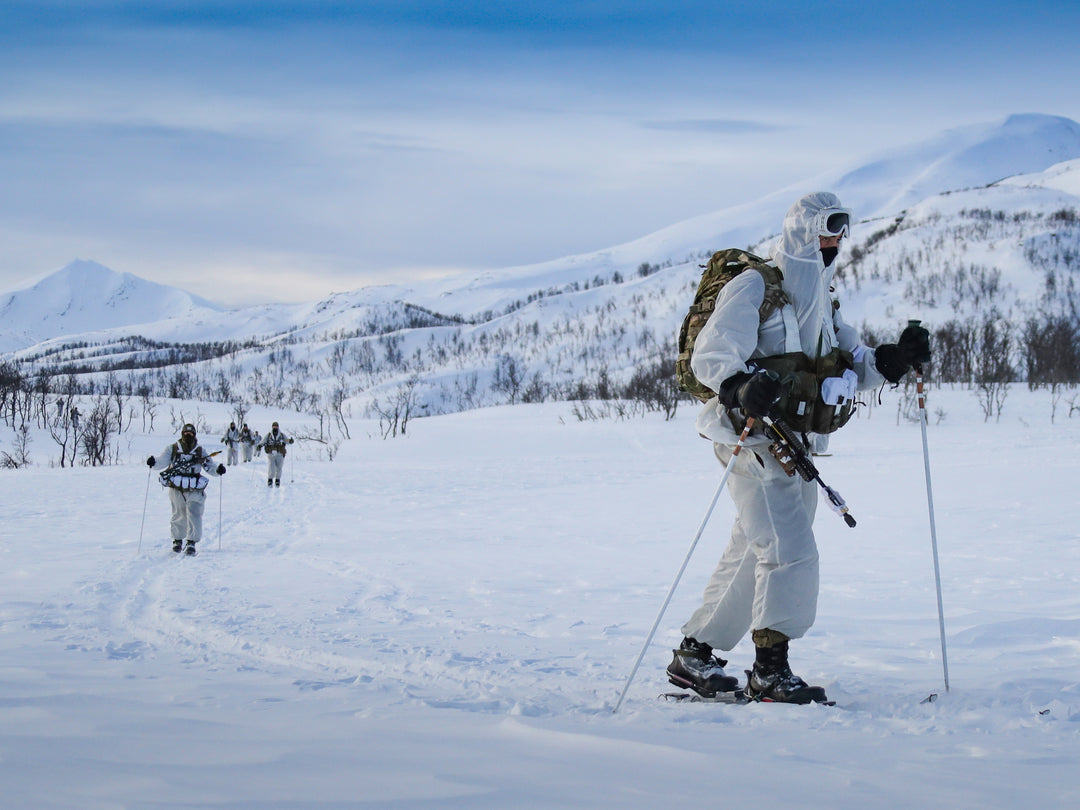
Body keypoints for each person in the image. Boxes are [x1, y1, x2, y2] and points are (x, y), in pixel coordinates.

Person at [667, 191, 931, 704]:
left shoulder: (823, 302)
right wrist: (738, 386)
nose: (834, 240)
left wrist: (895, 359)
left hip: (798, 446)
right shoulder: (756, 287)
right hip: (754, 441)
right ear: (802, 230)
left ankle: (695, 654)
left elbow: (854, 360)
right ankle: (770, 669)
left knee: (753, 551)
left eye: (841, 230)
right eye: (827, 228)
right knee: (790, 551)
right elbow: (713, 354)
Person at [147, 423, 226, 555]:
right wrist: (153, 462)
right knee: (179, 514)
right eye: (185, 433)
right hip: (176, 488)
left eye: (190, 433)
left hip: (195, 488)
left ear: (194, 435)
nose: (188, 435)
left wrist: (218, 470)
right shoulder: (172, 449)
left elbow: (209, 466)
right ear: (182, 434)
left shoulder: (200, 451)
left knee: (195, 514)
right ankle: (177, 540)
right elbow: (162, 461)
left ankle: (191, 542)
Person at [259, 421, 293, 487]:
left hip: (280, 453)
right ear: (272, 427)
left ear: (278, 427)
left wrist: (290, 441)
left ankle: (277, 480)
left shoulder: (281, 435)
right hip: (271, 453)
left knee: (279, 468)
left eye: (276, 426)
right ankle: (270, 480)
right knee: (271, 467)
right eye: (274, 426)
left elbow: (286, 440)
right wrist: (259, 445)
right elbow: (263, 440)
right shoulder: (269, 435)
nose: (275, 427)